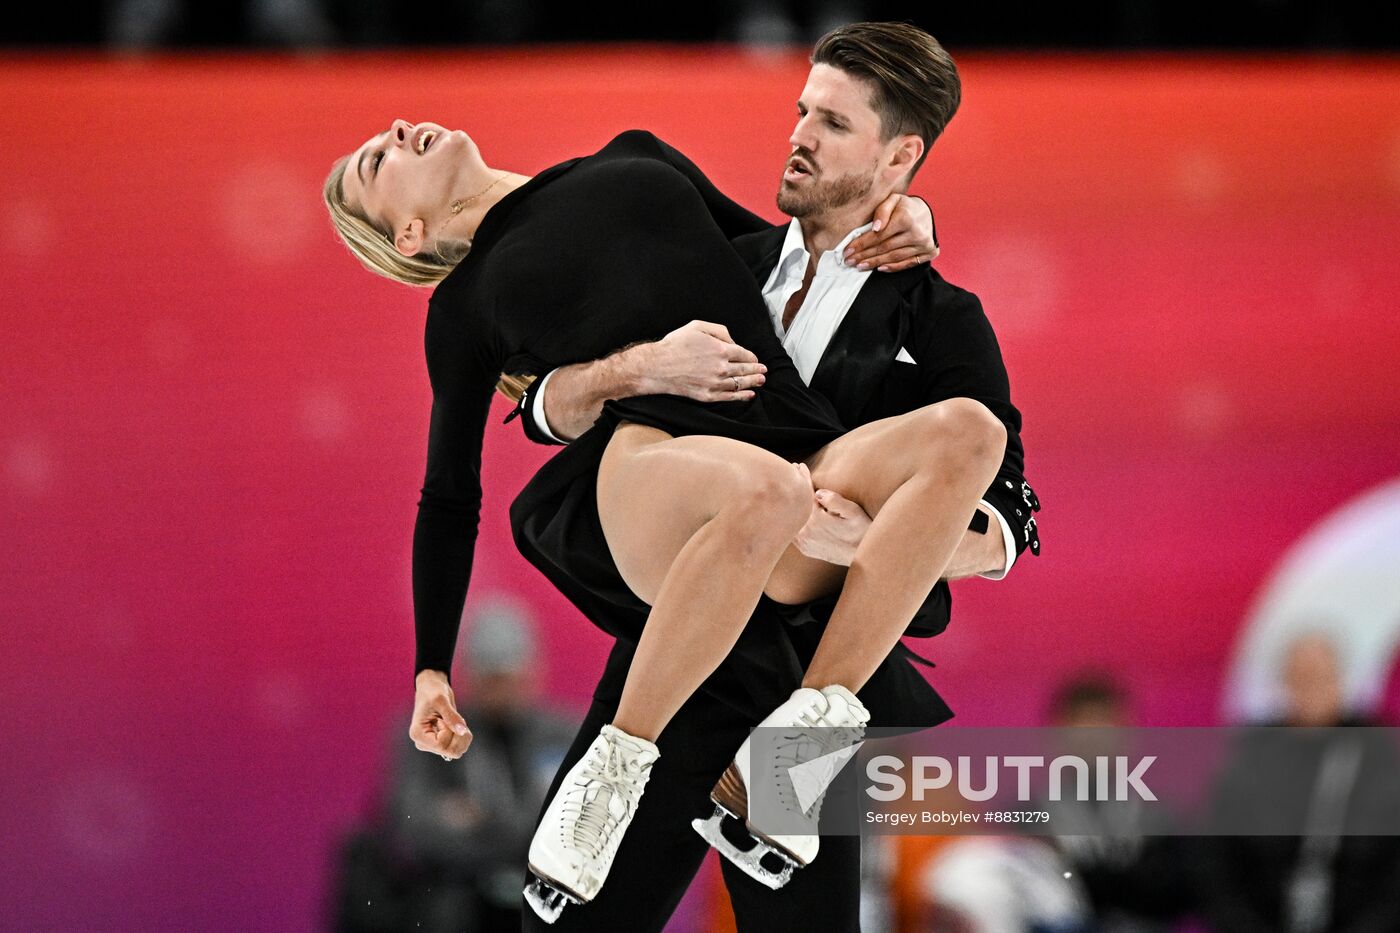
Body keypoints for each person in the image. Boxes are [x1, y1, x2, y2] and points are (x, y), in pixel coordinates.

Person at [322, 21, 1011, 922]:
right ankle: (620, 759)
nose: (397, 130)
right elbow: (448, 492)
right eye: (377, 163)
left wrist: (904, 213)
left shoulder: (631, 156)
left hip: (789, 470)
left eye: (386, 133)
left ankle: (802, 737)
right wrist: (430, 669)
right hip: (654, 471)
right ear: (408, 233)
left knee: (969, 433)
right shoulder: (460, 307)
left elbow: (789, 244)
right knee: (766, 492)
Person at [508, 22, 1038, 930]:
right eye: (801, 111)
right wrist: (624, 369)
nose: (798, 134)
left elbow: (1007, 527)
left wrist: (864, 537)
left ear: (900, 154)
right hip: (680, 651)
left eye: (833, 124)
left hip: (808, 669)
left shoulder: (943, 322)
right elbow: (542, 402)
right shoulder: (720, 269)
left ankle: (803, 738)